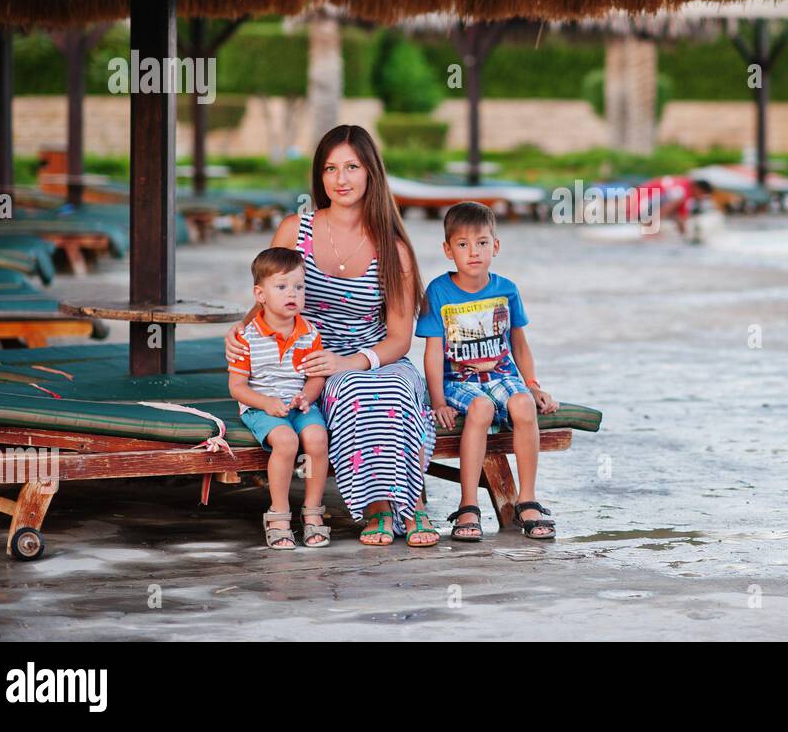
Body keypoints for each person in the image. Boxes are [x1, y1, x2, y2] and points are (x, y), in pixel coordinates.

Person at [225, 124, 440, 548]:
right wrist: (239, 332)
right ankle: (378, 510)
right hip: (310, 367)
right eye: (330, 168)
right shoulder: (295, 230)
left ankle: (413, 502)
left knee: (393, 387)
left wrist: (352, 361)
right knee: (350, 391)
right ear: (319, 177)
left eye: (352, 167)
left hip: (378, 356)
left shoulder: (392, 248)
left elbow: (400, 338)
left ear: (370, 174)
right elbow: (266, 297)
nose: (340, 179)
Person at [416, 202, 559, 541]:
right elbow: (433, 352)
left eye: (481, 242)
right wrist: (438, 401)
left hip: (501, 376)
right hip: (458, 381)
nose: (473, 252)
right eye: (462, 244)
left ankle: (527, 500)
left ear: (495, 246)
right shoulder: (438, 291)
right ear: (448, 250)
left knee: (523, 404)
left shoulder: (506, 289)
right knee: (480, 409)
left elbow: (520, 345)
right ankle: (468, 506)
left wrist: (533, 385)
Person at [228, 247, 329, 550]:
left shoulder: (309, 333)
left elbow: (315, 377)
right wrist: (265, 403)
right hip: (261, 406)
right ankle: (278, 514)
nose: (292, 294)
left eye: (299, 287)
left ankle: (312, 512)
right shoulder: (247, 337)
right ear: (260, 294)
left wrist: (306, 397)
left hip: (297, 404)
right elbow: (237, 387)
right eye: (282, 286)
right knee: (286, 441)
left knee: (316, 437)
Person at [629, 175, 714, 237]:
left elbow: (680, 218)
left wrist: (684, 234)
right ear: (698, 188)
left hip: (640, 203)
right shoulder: (681, 191)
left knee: (675, 210)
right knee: (675, 200)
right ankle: (650, 228)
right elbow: (667, 208)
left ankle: (651, 227)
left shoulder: (685, 188)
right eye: (703, 195)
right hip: (638, 205)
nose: (702, 198)